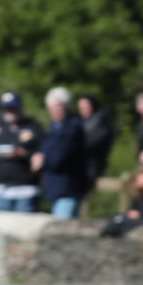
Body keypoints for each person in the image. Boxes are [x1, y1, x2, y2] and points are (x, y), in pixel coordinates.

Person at [35, 87, 91, 219]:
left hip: (67, 189)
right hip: (56, 189)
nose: (55, 110)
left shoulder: (71, 127)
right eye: (52, 107)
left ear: (66, 106)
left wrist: (43, 160)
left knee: (63, 230)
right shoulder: (55, 127)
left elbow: (59, 157)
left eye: (58, 106)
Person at [0, 92, 42, 213]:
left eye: (13, 108)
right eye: (7, 109)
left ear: (20, 108)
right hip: (3, 190)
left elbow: (41, 151)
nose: (10, 112)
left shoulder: (33, 126)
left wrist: (25, 154)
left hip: (26, 189)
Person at [76, 93, 116, 188]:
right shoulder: (80, 121)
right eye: (81, 107)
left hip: (93, 164)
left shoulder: (101, 120)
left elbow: (91, 143)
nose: (83, 110)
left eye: (86, 107)